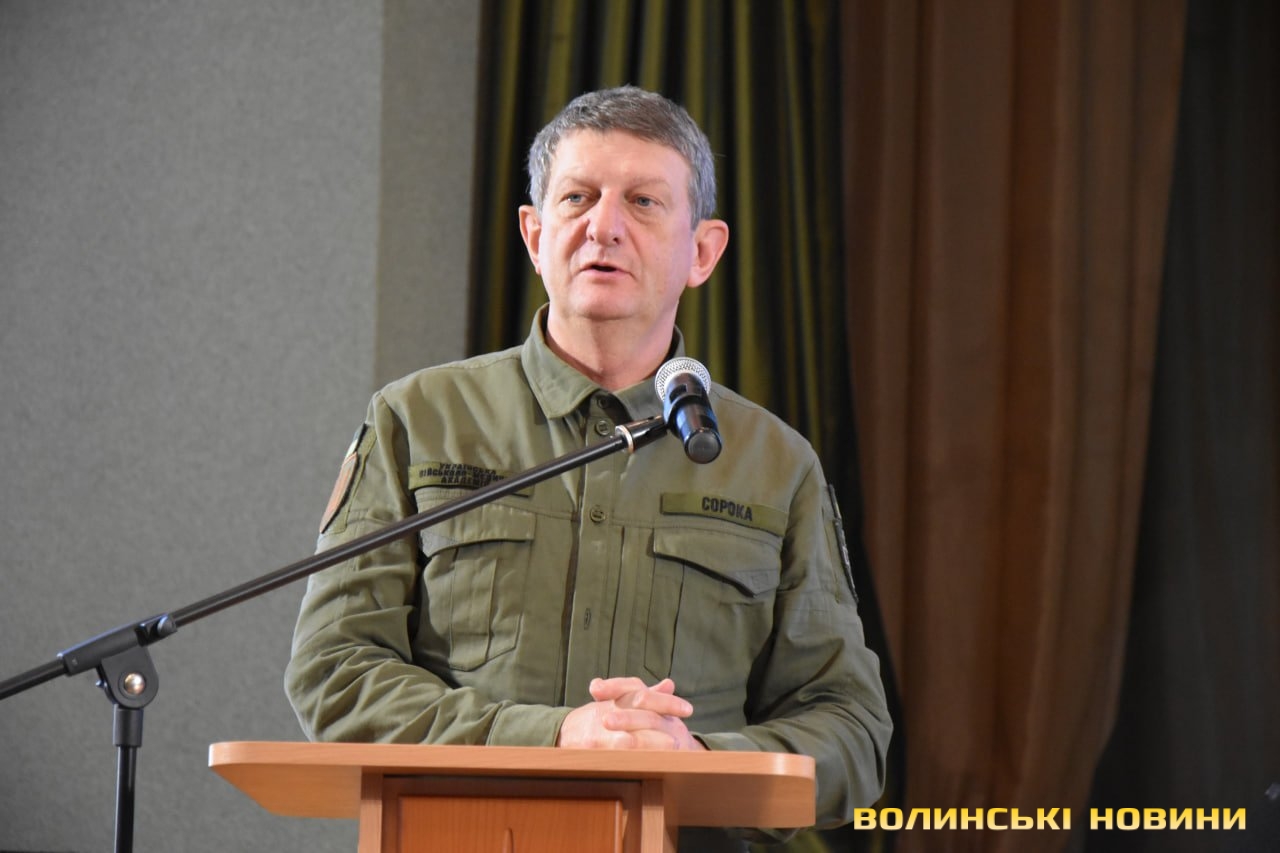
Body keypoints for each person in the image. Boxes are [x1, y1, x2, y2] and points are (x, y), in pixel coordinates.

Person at [285, 85, 891, 849]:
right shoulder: (417, 419)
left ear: (702, 252)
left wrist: (697, 761)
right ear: (534, 235)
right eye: (577, 197)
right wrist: (550, 736)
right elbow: (334, 669)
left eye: (643, 201)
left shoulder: (775, 463)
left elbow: (852, 729)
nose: (603, 225)